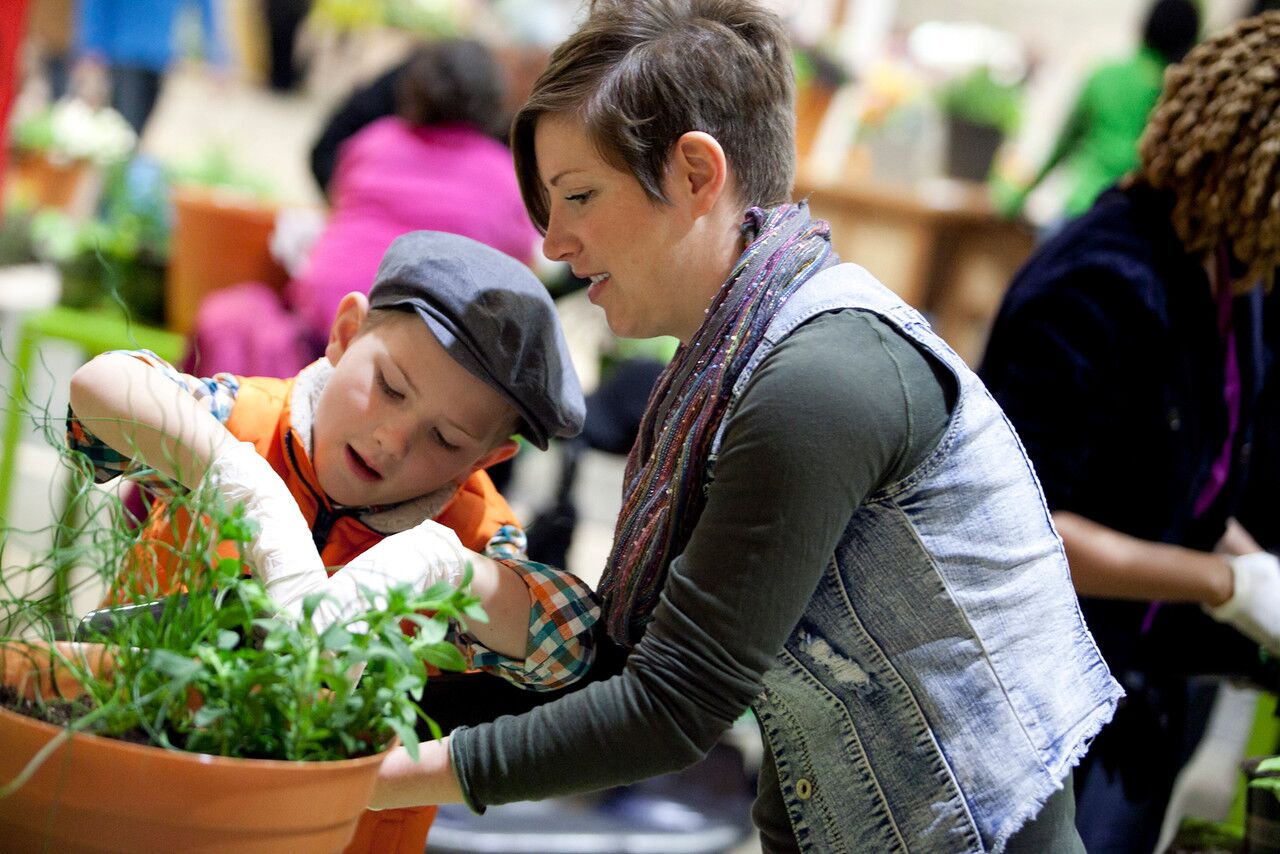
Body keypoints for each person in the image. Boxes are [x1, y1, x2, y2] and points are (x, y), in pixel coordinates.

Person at [363, 3, 1122, 851]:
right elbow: (633, 662)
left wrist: (360, 780)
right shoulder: (729, 360)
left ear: (695, 173)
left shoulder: (817, 380)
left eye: (579, 196)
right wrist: (441, 571)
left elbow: (672, 703)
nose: (557, 241)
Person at [66, 231, 597, 854]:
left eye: (447, 440)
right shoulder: (242, 420)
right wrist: (238, 482)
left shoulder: (473, 532)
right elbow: (101, 388)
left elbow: (573, 645)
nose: (392, 439)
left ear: (491, 454)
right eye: (391, 388)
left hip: (330, 833)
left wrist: (450, 571)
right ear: (345, 334)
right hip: (135, 790)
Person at [980, 12, 1280, 851]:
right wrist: (1226, 587)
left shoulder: (1230, 276)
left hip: (1144, 679)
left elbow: (1189, 480)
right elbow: (1026, 534)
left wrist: (1252, 567)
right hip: (1048, 696)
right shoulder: (1101, 284)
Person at [190, 38, 539, 379]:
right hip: (419, 362)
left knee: (236, 311)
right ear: (497, 101)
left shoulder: (373, 142)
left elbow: (341, 207)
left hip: (321, 332)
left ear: (412, 87)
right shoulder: (506, 178)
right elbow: (519, 271)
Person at [999, 0, 1200, 223]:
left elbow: (1064, 144)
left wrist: (1018, 196)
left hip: (1084, 209)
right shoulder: (1183, 93)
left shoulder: (1105, 76)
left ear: (1145, 26)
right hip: (1139, 223)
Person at [74, 0, 228, 136]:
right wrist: (91, 49)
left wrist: (218, 58)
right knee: (126, 130)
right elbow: (97, 5)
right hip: (125, 56)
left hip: (160, 57)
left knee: (141, 131)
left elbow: (206, 7)